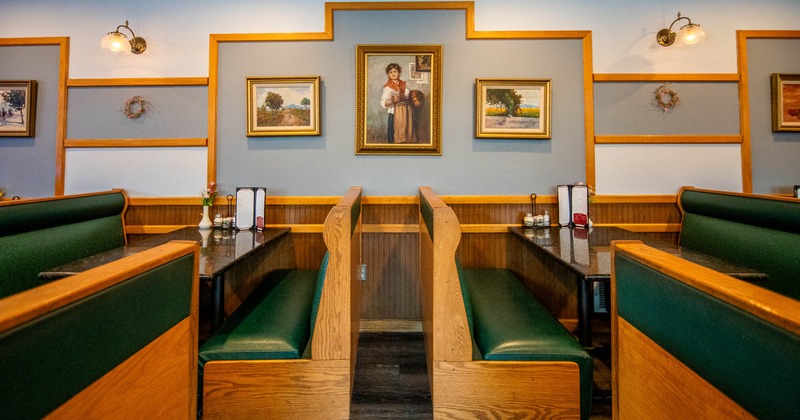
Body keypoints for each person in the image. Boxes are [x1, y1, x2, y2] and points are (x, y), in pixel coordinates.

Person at [379, 63, 415, 143]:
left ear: (399, 73)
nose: (393, 74)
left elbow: (408, 96)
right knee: (393, 137)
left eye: (395, 71)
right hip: (393, 114)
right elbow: (382, 103)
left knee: (404, 136)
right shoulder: (387, 88)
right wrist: (391, 101)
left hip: (404, 114)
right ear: (388, 75)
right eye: (390, 72)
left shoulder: (404, 86)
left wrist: (409, 96)